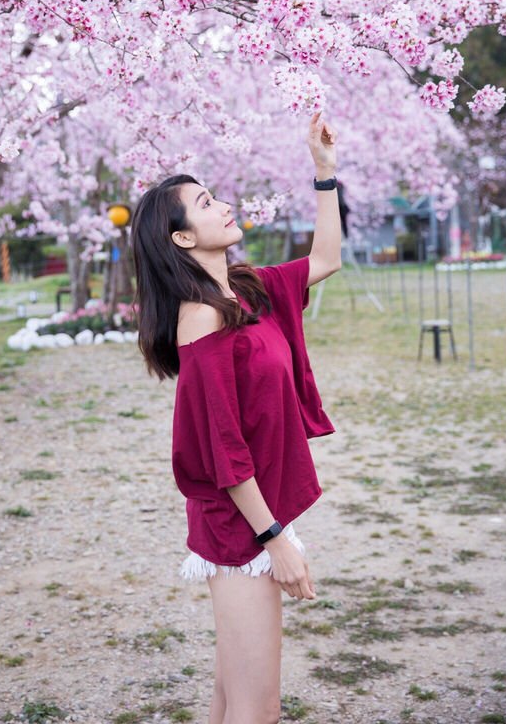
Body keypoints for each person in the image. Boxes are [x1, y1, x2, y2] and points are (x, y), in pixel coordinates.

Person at [130, 111, 341, 724]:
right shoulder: (203, 318)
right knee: (259, 709)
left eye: (215, 195)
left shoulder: (246, 291)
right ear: (182, 239)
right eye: (204, 203)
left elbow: (325, 258)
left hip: (253, 517)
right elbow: (223, 448)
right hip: (241, 527)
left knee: (231, 701)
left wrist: (323, 173)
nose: (223, 204)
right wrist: (276, 541)